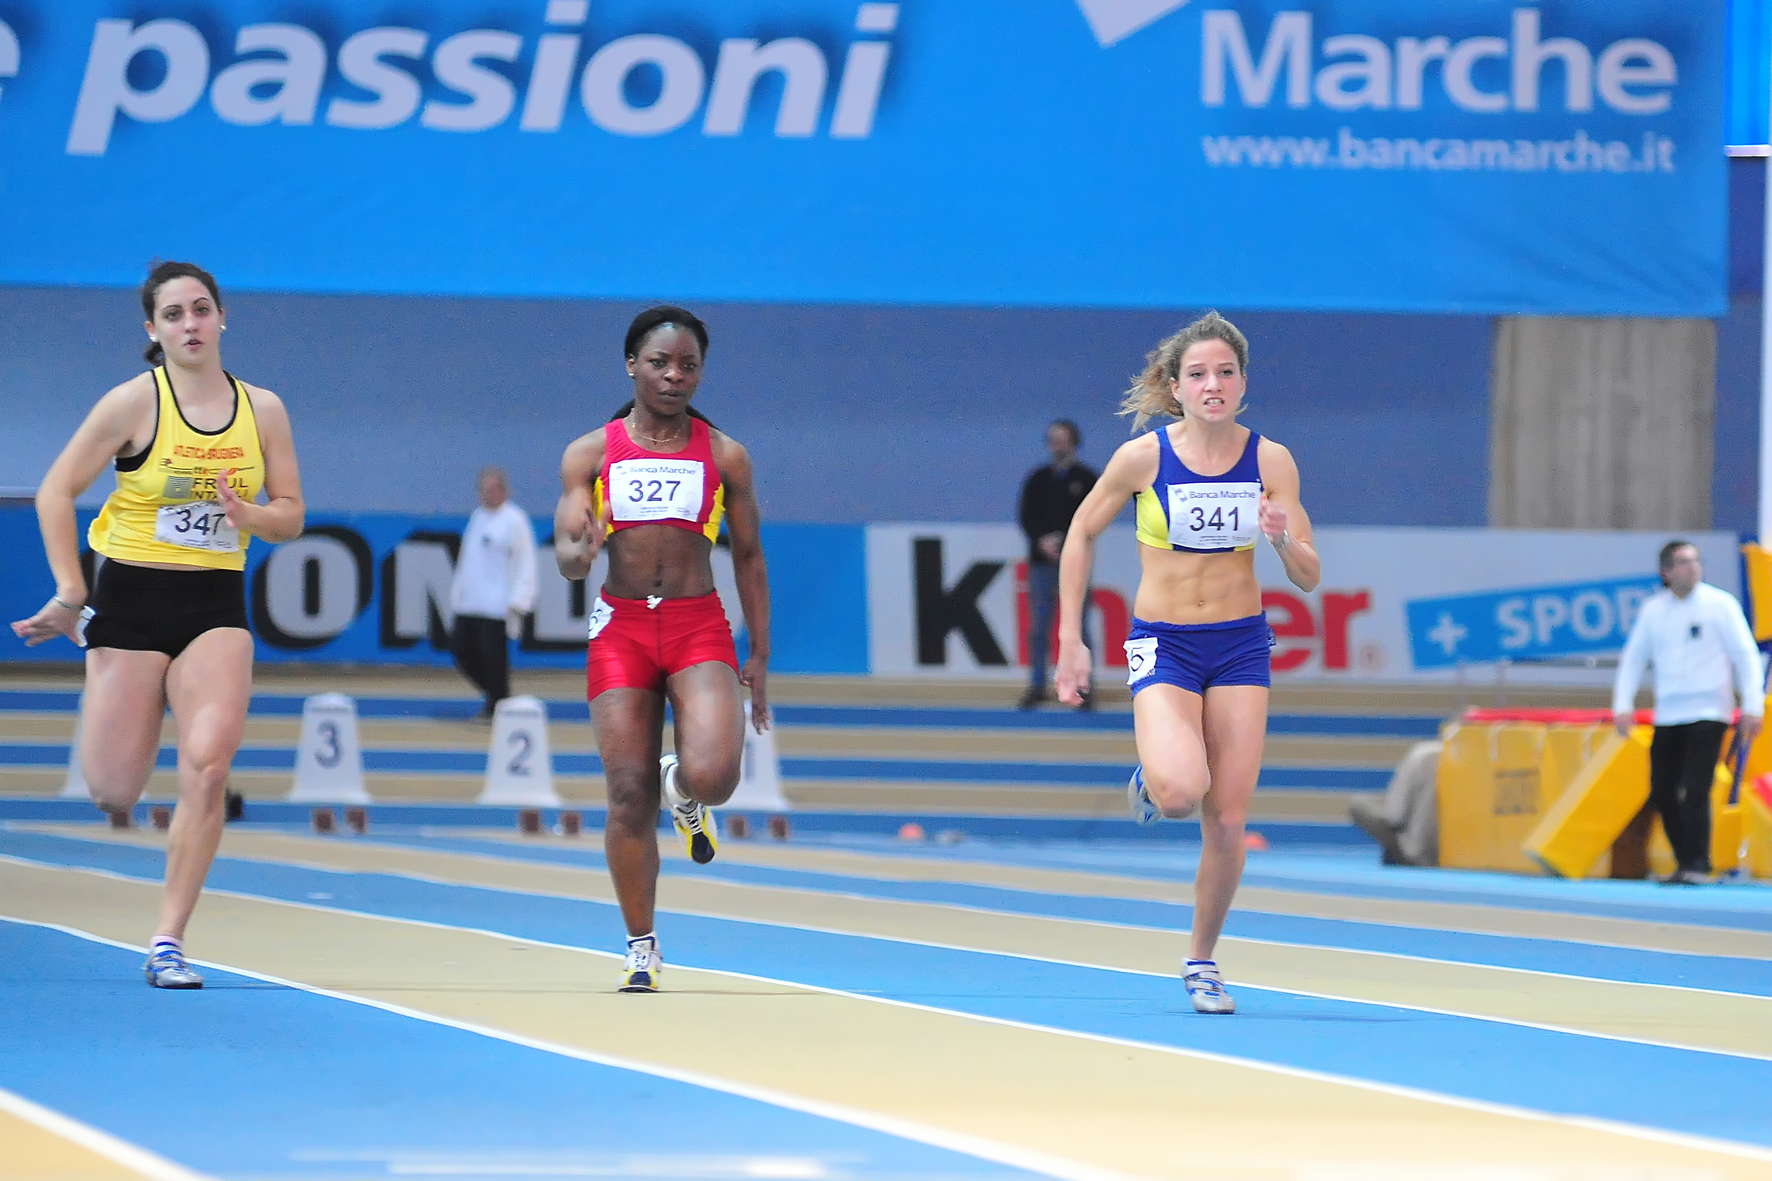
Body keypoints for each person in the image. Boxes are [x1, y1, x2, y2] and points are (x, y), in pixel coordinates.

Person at [10, 260, 305, 988]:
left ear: (223, 316)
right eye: (174, 315)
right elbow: (55, 490)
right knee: (114, 790)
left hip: (215, 605)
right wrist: (71, 589)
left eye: (201, 309)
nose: (190, 324)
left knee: (209, 763)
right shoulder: (132, 403)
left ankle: (168, 939)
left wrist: (249, 514)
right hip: (131, 602)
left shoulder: (263, 408)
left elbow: (292, 515)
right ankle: (107, 680)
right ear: (153, 329)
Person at [1055, 311, 1319, 1014]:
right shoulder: (1142, 458)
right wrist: (1070, 639)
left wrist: (1280, 539)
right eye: (1198, 374)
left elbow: (1309, 575)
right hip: (1165, 643)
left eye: (1225, 372)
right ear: (1175, 387)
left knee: (1227, 819)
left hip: (1238, 645)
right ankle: (1157, 773)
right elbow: (1080, 532)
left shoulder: (1271, 461)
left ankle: (1202, 959)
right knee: (1179, 794)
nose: (1213, 385)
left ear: (1243, 383)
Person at [553, 305, 770, 993]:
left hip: (695, 623)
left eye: (688, 365)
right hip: (621, 627)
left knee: (716, 778)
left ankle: (684, 787)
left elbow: (750, 557)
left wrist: (760, 655)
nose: (674, 376)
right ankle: (641, 945)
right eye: (659, 363)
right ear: (631, 366)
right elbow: (567, 558)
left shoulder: (725, 455)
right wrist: (580, 550)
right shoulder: (589, 454)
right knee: (626, 793)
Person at [1611, 540, 1763, 885]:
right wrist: (1622, 705)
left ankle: (1697, 863)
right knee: (1662, 790)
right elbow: (1634, 659)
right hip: (1669, 713)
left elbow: (1745, 655)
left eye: (1696, 560)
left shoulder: (1720, 605)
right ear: (1666, 572)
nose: (1692, 567)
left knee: (1695, 788)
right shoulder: (1653, 610)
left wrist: (1752, 705)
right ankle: (1684, 861)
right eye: (1683, 562)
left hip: (1709, 711)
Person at [1017, 419, 1097, 710]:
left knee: (1080, 627)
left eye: (1063, 439)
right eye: (1053, 439)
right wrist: (1042, 541)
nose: (1058, 445)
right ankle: (1038, 685)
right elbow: (1026, 516)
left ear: (1074, 441)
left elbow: (1093, 517)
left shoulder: (1086, 478)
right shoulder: (1037, 478)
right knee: (1039, 626)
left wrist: (1066, 542)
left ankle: (1082, 687)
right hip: (1041, 563)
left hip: (1075, 563)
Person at [449, 466, 537, 719]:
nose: (489, 494)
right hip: (470, 602)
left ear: (505, 490)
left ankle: (497, 703)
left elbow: (526, 560)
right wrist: (458, 595)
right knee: (461, 651)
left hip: (497, 605)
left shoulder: (514, 519)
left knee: (493, 658)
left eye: (494, 489)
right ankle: (498, 697)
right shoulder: (478, 517)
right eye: (484, 490)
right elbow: (467, 560)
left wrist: (521, 599)